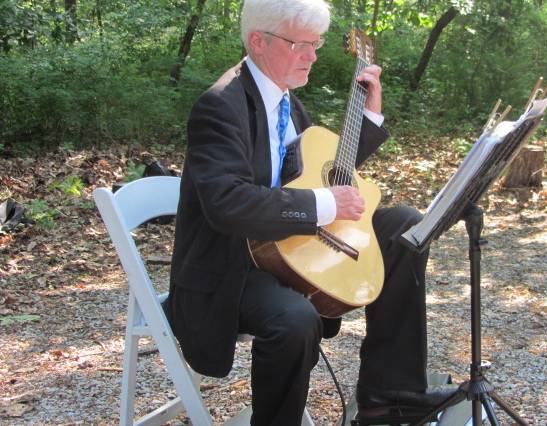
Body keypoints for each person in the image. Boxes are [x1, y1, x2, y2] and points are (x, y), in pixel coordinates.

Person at [166, 0, 455, 424]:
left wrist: (370, 117)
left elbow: (314, 174)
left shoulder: (286, 101)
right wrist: (325, 205)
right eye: (302, 44)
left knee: (404, 227)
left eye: (317, 44)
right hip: (229, 266)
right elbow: (227, 203)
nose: (313, 56)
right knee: (296, 318)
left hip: (282, 246)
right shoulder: (220, 105)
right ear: (258, 41)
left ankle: (389, 394)